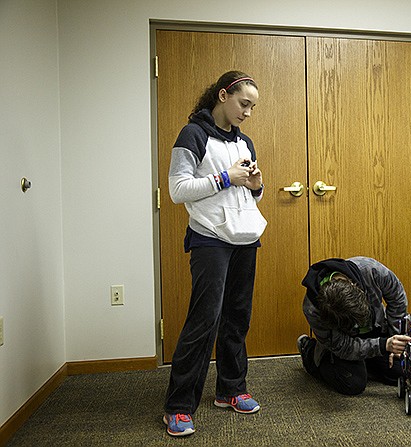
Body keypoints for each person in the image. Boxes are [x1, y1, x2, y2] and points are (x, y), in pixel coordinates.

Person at [163, 71, 266, 437]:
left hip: (244, 237)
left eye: (252, 107)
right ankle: (178, 406)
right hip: (209, 238)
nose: (248, 113)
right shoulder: (193, 134)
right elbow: (178, 190)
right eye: (243, 104)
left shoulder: (245, 142)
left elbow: (247, 190)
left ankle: (231, 389)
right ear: (223, 95)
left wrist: (256, 186)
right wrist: (226, 177)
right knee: (204, 318)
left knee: (237, 316)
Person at [297, 257, 411, 395]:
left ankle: (367, 360)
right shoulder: (312, 308)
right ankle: (309, 352)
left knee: (403, 373)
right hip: (344, 340)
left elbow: (397, 299)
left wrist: (395, 337)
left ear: (355, 286)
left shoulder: (371, 269)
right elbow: (342, 346)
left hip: (375, 328)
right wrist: (383, 346)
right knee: (352, 384)